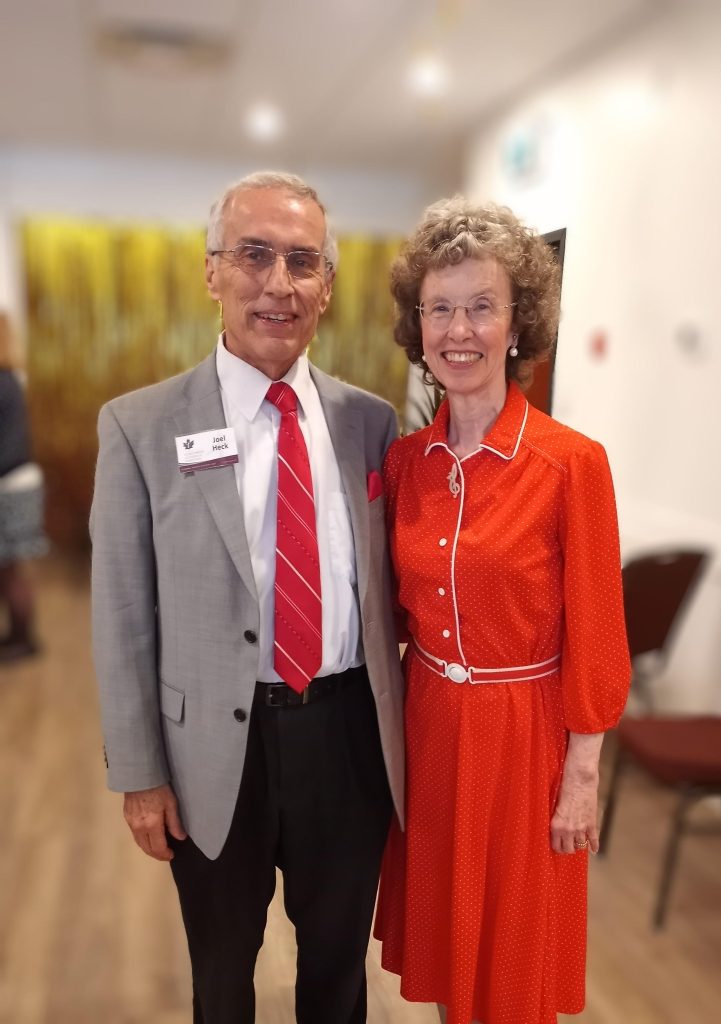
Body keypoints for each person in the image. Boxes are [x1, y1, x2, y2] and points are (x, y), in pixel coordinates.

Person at [90, 171, 405, 1024]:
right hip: (209, 756)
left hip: (347, 741)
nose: (278, 283)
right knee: (222, 975)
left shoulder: (371, 425)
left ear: (328, 287)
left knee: (338, 972)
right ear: (212, 272)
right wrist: (140, 774)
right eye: (254, 255)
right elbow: (121, 621)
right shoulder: (139, 426)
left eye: (303, 262)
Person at [373, 198, 631, 1024]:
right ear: (419, 327)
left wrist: (582, 780)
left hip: (526, 744)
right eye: (440, 308)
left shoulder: (571, 465)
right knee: (454, 959)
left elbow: (597, 635)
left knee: (512, 971)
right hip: (431, 727)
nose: (459, 329)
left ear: (518, 323)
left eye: (482, 306)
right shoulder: (407, 462)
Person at [0, 313, 47, 663]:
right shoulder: (11, 378)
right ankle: (20, 636)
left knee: (12, 566)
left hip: (11, 484)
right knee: (12, 566)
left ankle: (23, 639)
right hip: (21, 481)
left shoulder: (3, 382)